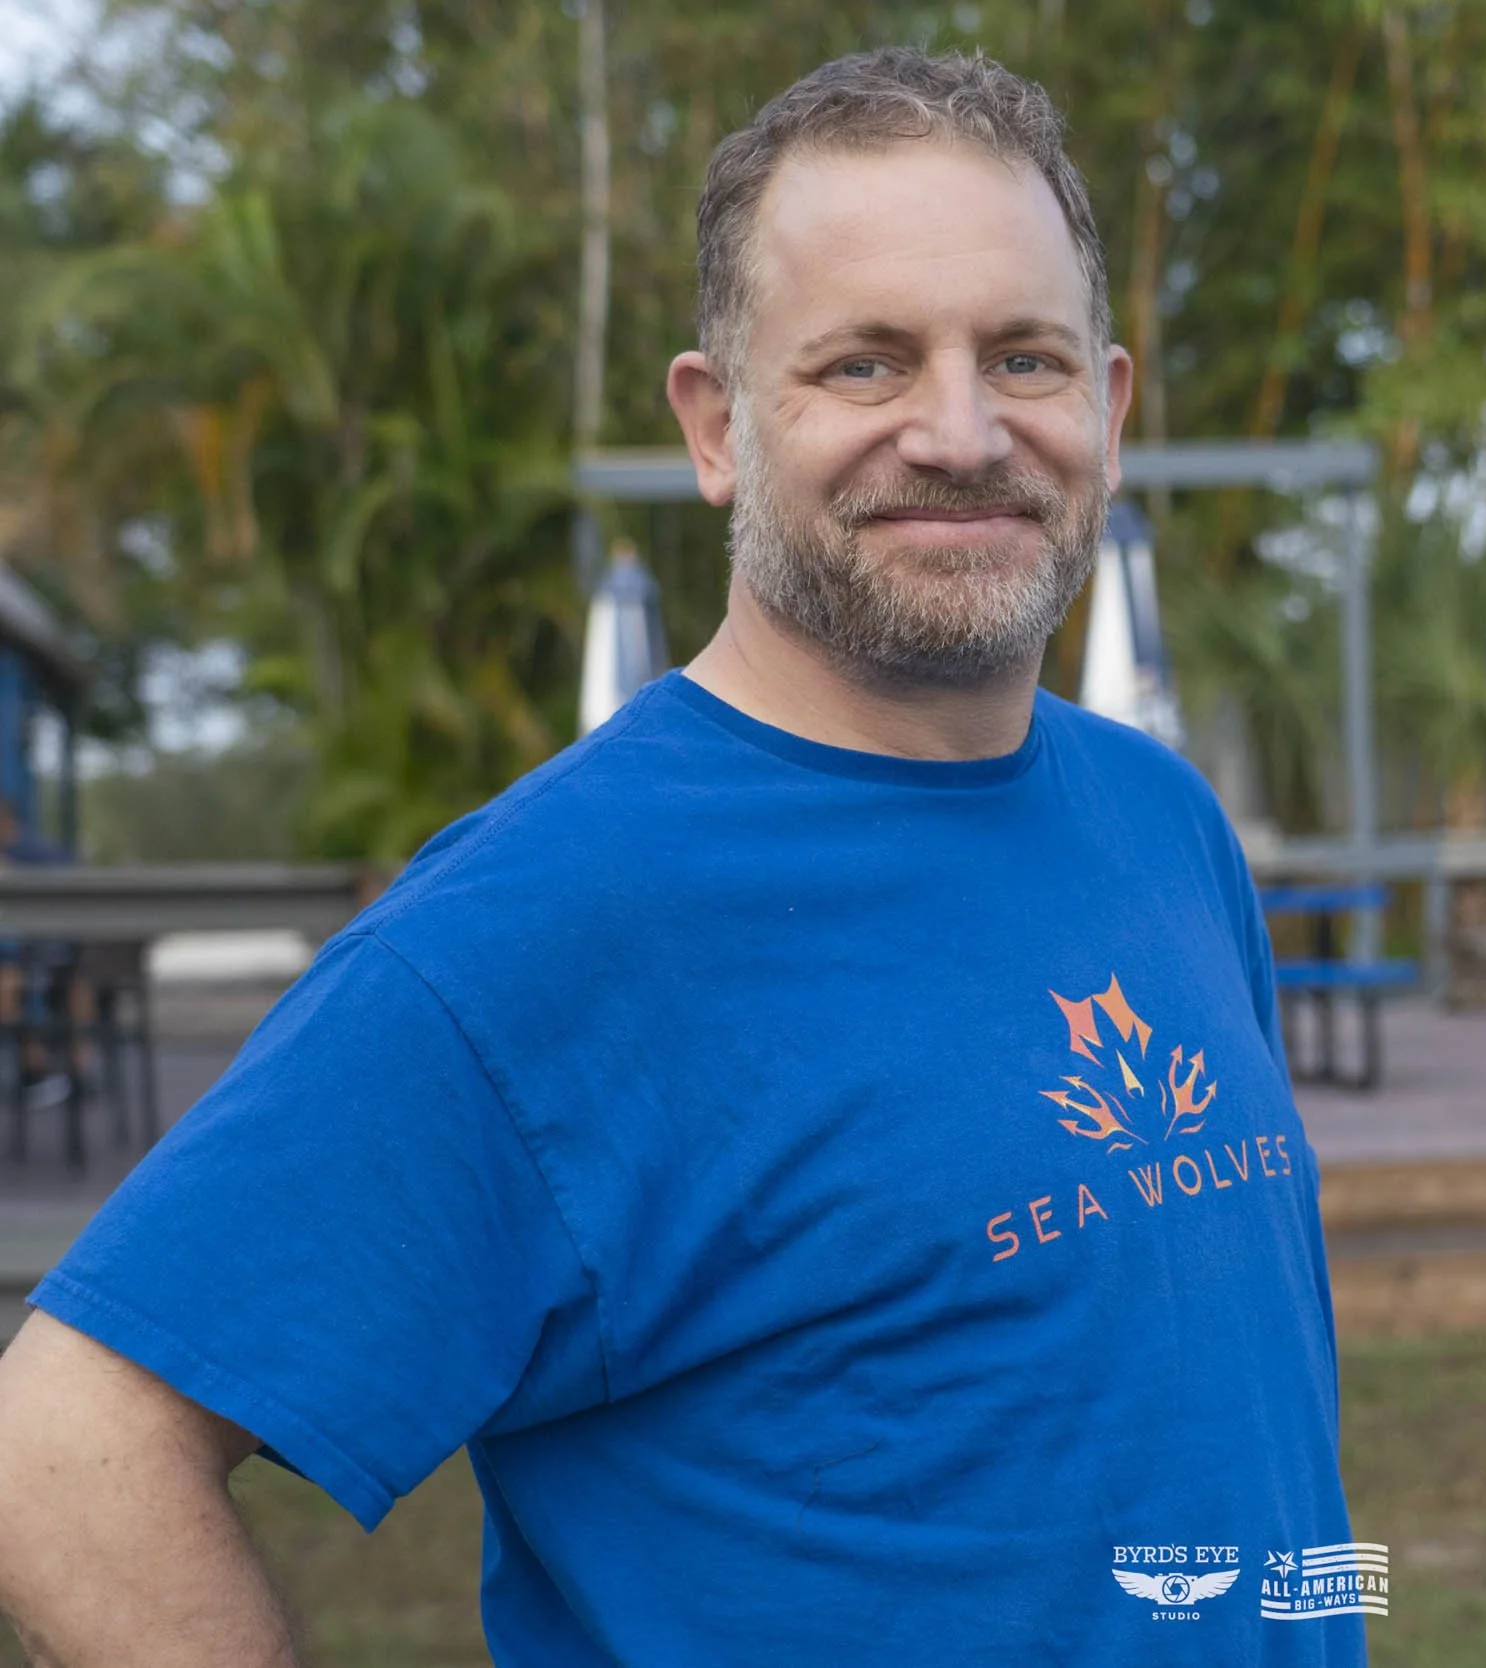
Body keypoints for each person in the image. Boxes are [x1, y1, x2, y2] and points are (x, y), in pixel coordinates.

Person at [0, 49, 1365, 1666]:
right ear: (716, 427)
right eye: (863, 365)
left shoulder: (1163, 823)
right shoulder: (543, 923)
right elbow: (60, 1456)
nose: (959, 428)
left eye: (1023, 356)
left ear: (1112, 410)